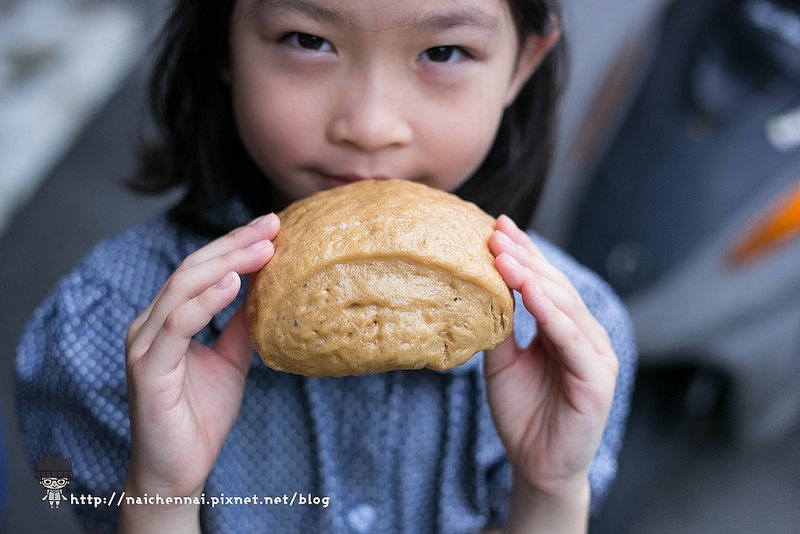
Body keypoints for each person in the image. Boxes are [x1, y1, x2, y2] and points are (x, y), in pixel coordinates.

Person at [16, 0, 636, 532]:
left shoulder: (571, 343)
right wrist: (161, 496)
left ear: (521, 63)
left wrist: (550, 492)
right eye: (308, 40)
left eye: (444, 52)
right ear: (222, 36)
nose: (370, 126)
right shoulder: (108, 329)